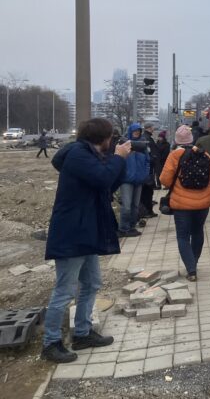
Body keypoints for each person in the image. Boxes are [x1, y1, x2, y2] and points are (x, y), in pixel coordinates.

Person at [41, 118, 131, 363]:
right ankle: (50, 343)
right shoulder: (79, 155)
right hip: (72, 233)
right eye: (111, 138)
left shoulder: (89, 155)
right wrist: (119, 157)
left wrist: (118, 160)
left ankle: (82, 333)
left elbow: (108, 182)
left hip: (86, 231)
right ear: (103, 138)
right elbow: (103, 179)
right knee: (64, 290)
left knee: (91, 283)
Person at [160, 125, 210, 281]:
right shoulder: (203, 154)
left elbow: (164, 179)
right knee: (197, 232)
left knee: (183, 236)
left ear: (177, 140)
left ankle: (191, 270)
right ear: (192, 139)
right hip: (203, 203)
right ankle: (194, 262)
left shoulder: (174, 155)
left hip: (181, 204)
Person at [118, 123, 149, 238]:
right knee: (126, 206)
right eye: (135, 131)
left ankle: (132, 227)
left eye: (138, 131)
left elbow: (147, 161)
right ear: (131, 131)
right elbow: (119, 160)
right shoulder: (125, 144)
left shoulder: (143, 146)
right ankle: (123, 228)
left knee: (135, 206)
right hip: (127, 179)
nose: (137, 133)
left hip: (139, 179)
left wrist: (145, 174)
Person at [139, 123, 159, 217]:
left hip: (147, 169)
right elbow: (150, 153)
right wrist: (153, 159)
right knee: (147, 191)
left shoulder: (146, 137)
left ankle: (147, 210)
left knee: (146, 191)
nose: (153, 129)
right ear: (148, 128)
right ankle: (147, 211)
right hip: (148, 169)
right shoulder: (146, 138)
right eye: (152, 127)